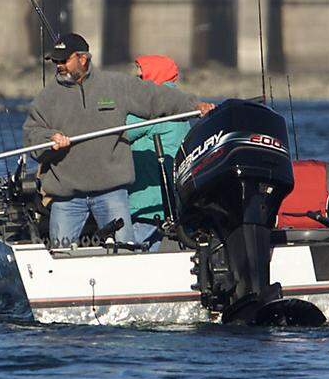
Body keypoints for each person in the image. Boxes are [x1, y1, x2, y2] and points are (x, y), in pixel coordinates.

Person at [22, 33, 215, 248]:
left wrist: (194, 106)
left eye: (64, 60)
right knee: (59, 255)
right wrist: (49, 138)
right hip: (67, 196)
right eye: (55, 61)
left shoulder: (116, 85)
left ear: (83, 59)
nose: (59, 66)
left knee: (125, 252)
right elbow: (31, 134)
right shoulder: (47, 98)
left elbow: (156, 97)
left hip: (111, 192)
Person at [125, 55, 191, 250]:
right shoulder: (177, 102)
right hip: (169, 198)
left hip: (148, 199)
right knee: (150, 250)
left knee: (131, 250)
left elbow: (120, 132)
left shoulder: (152, 105)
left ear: (154, 75)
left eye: (140, 76)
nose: (136, 81)